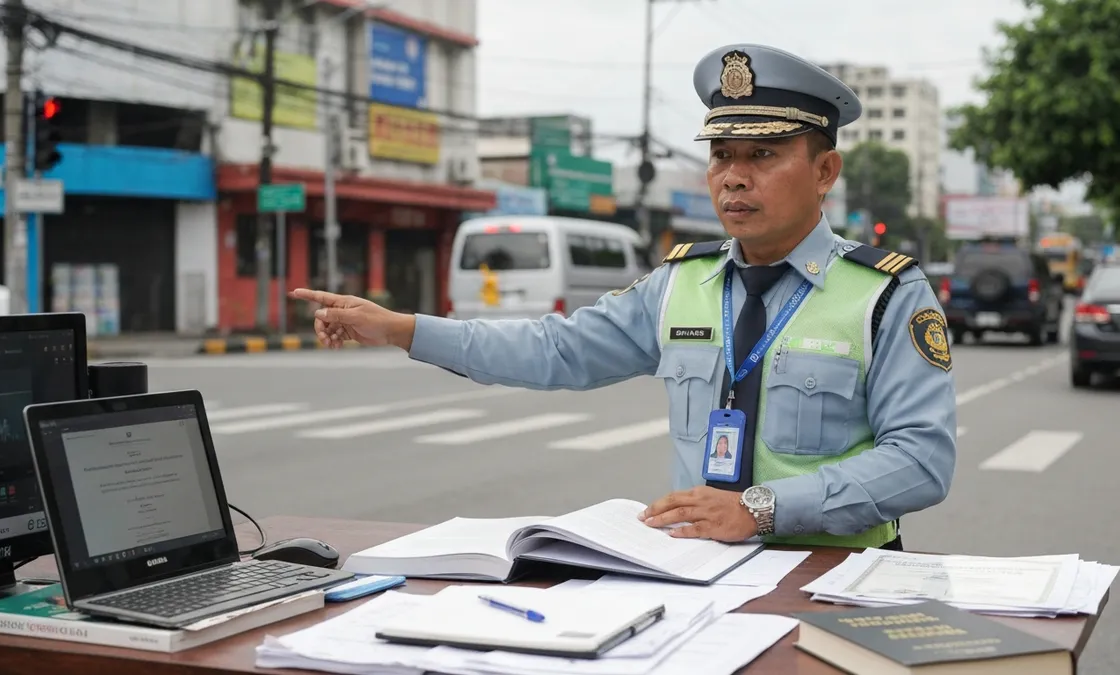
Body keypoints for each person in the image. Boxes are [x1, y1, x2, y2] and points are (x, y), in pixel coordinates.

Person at [290, 43, 956, 550]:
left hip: (832, 577)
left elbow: (921, 460)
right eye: (722, 155)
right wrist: (403, 328)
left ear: (824, 171)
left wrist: (762, 506)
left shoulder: (885, 295)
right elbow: (558, 350)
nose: (733, 179)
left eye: (762, 155)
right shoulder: (680, 283)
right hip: (697, 571)